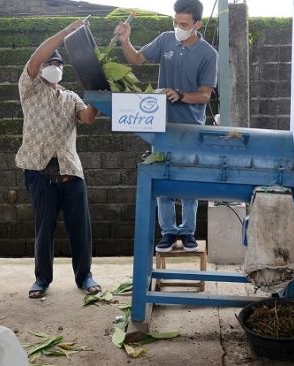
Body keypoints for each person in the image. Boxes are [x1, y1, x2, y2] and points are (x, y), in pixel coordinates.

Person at [114, 0, 218, 253]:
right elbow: (137, 59)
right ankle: (169, 232)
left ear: (197, 25)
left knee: (188, 181)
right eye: (175, 22)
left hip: (190, 128)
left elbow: (205, 95)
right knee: (162, 179)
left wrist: (181, 95)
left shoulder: (208, 54)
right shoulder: (165, 40)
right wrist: (125, 41)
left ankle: (189, 231)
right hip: (159, 125)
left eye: (183, 24)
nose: (178, 28)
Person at [16, 18, 102, 299]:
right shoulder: (29, 88)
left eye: (59, 64)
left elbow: (87, 118)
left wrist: (100, 95)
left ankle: (85, 277)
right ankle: (41, 279)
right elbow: (36, 56)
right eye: (49, 63)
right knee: (45, 227)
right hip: (39, 170)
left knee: (81, 228)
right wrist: (66, 33)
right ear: (40, 68)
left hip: (71, 170)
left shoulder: (70, 97)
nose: (54, 67)